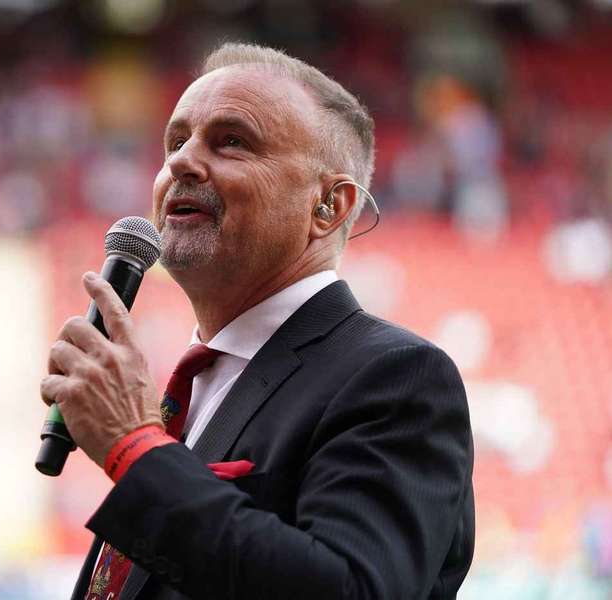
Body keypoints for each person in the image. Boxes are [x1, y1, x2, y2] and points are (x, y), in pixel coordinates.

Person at [40, 42, 474, 600]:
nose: (181, 162)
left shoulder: (397, 378)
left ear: (329, 205)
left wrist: (135, 447)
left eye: (232, 141)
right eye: (176, 142)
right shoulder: (188, 388)